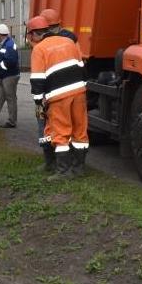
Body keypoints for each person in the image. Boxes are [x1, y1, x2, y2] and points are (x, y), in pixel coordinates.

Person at [27, 15, 88, 180]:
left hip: (58, 96)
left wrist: (38, 102)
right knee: (80, 131)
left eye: (29, 35)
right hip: (79, 92)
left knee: (60, 133)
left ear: (33, 34)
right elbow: (82, 66)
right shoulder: (68, 41)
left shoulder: (39, 49)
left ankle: (63, 171)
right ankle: (79, 169)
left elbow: (37, 80)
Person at [35, 8, 77, 172]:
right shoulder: (69, 39)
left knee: (45, 125)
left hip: (50, 93)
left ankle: (51, 162)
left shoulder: (47, 42)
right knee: (64, 127)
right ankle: (56, 162)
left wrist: (38, 99)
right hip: (61, 91)